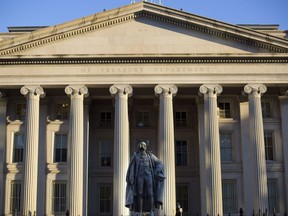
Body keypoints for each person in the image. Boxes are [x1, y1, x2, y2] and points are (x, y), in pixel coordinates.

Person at [125, 142, 165, 216]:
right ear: (139, 147)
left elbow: (160, 163)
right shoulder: (136, 156)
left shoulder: (150, 156)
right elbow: (132, 167)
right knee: (140, 193)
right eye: (141, 145)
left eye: (144, 145)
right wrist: (131, 177)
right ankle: (140, 211)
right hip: (139, 175)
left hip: (149, 175)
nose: (142, 147)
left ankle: (151, 211)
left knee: (151, 193)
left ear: (146, 147)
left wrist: (156, 172)